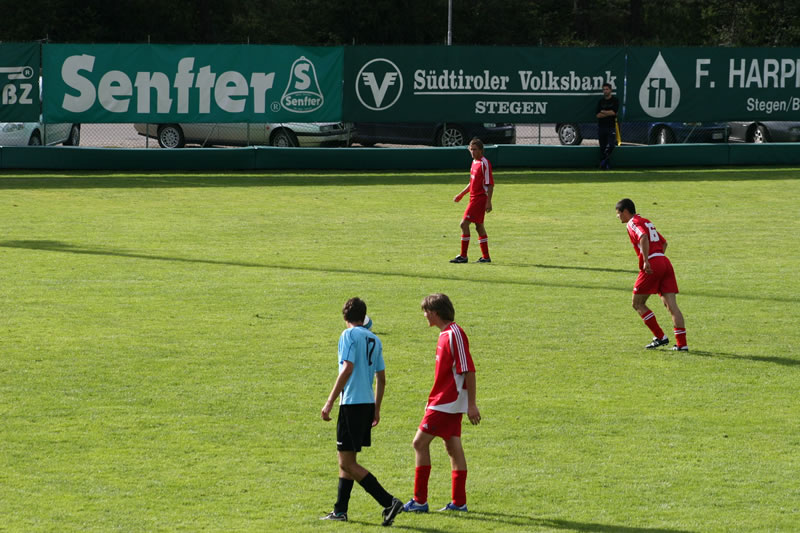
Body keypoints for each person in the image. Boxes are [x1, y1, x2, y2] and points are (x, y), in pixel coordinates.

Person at [320, 297, 403, 526]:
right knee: (346, 460)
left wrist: (329, 401)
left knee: (347, 462)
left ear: (345, 317)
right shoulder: (375, 339)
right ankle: (340, 511)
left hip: (351, 404)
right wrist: (376, 408)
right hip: (366, 404)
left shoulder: (348, 335)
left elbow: (347, 368)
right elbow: (382, 378)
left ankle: (389, 502)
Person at [402, 293, 481, 514]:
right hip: (445, 401)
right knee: (453, 446)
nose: (424, 315)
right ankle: (459, 502)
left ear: (436, 312)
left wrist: (471, 404)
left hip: (447, 402)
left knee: (419, 443)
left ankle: (419, 501)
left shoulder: (454, 334)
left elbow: (469, 370)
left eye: (426, 311)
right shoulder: (445, 334)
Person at [615, 199, 688, 351]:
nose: (618, 217)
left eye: (618, 213)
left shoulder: (632, 223)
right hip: (664, 262)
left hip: (653, 264)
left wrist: (648, 261)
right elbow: (664, 243)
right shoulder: (646, 221)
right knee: (672, 306)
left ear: (625, 211)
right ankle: (682, 345)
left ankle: (660, 337)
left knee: (637, 303)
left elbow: (643, 237)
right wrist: (658, 260)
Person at [450, 138, 494, 264]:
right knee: (479, 227)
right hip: (473, 198)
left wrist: (488, 202)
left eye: (475, 149)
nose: (473, 152)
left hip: (480, 199)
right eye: (471, 149)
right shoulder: (474, 162)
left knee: (464, 224)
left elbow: (490, 184)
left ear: (481, 150)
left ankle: (463, 256)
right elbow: (472, 183)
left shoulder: (484, 163)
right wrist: (461, 194)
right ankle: (486, 257)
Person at [597, 82, 619, 170]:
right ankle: (606, 165)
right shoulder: (600, 101)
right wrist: (608, 113)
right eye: (604, 89)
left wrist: (604, 112)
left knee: (611, 146)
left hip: (611, 127)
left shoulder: (615, 100)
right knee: (602, 147)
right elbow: (598, 115)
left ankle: (603, 162)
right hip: (601, 127)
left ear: (610, 90)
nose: (605, 91)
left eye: (607, 89)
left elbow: (614, 112)